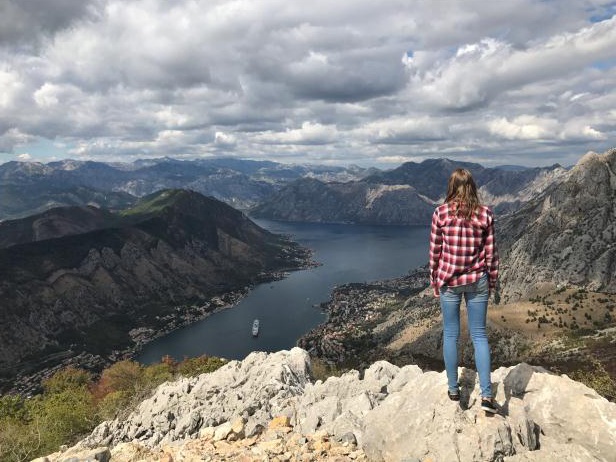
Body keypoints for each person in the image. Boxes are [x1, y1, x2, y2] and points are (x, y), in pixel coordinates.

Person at [428, 168, 499, 413]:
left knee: (450, 335)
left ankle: (453, 389)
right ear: (472, 187)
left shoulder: (441, 213)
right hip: (478, 279)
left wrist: (435, 280)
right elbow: (491, 254)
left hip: (449, 280)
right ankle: (487, 395)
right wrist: (492, 282)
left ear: (451, 187)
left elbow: (435, 251)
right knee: (479, 336)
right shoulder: (485, 214)